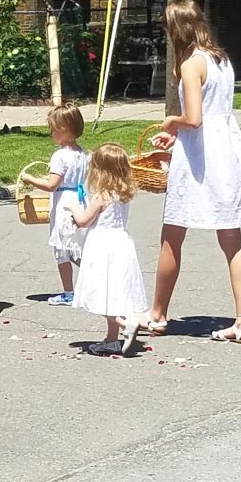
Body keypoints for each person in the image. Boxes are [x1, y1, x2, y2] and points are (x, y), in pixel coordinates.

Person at [147, 0, 241, 343]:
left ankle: (157, 314)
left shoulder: (192, 63)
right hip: (226, 151)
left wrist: (171, 121)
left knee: (172, 235)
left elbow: (194, 118)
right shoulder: (221, 60)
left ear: (177, 29)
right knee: (232, 238)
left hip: (199, 158)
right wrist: (176, 133)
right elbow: (209, 114)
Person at [68, 143, 149, 356]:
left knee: (100, 292)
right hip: (121, 242)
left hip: (102, 245)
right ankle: (112, 339)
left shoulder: (101, 196)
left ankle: (124, 324)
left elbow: (83, 221)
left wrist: (73, 208)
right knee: (113, 292)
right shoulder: (123, 194)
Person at [19, 102, 89, 306]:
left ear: (63, 129)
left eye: (52, 129)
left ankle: (69, 292)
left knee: (63, 249)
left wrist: (30, 179)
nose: (51, 133)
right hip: (79, 199)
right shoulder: (82, 153)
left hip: (64, 203)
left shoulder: (60, 156)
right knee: (77, 245)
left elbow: (51, 185)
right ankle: (92, 282)